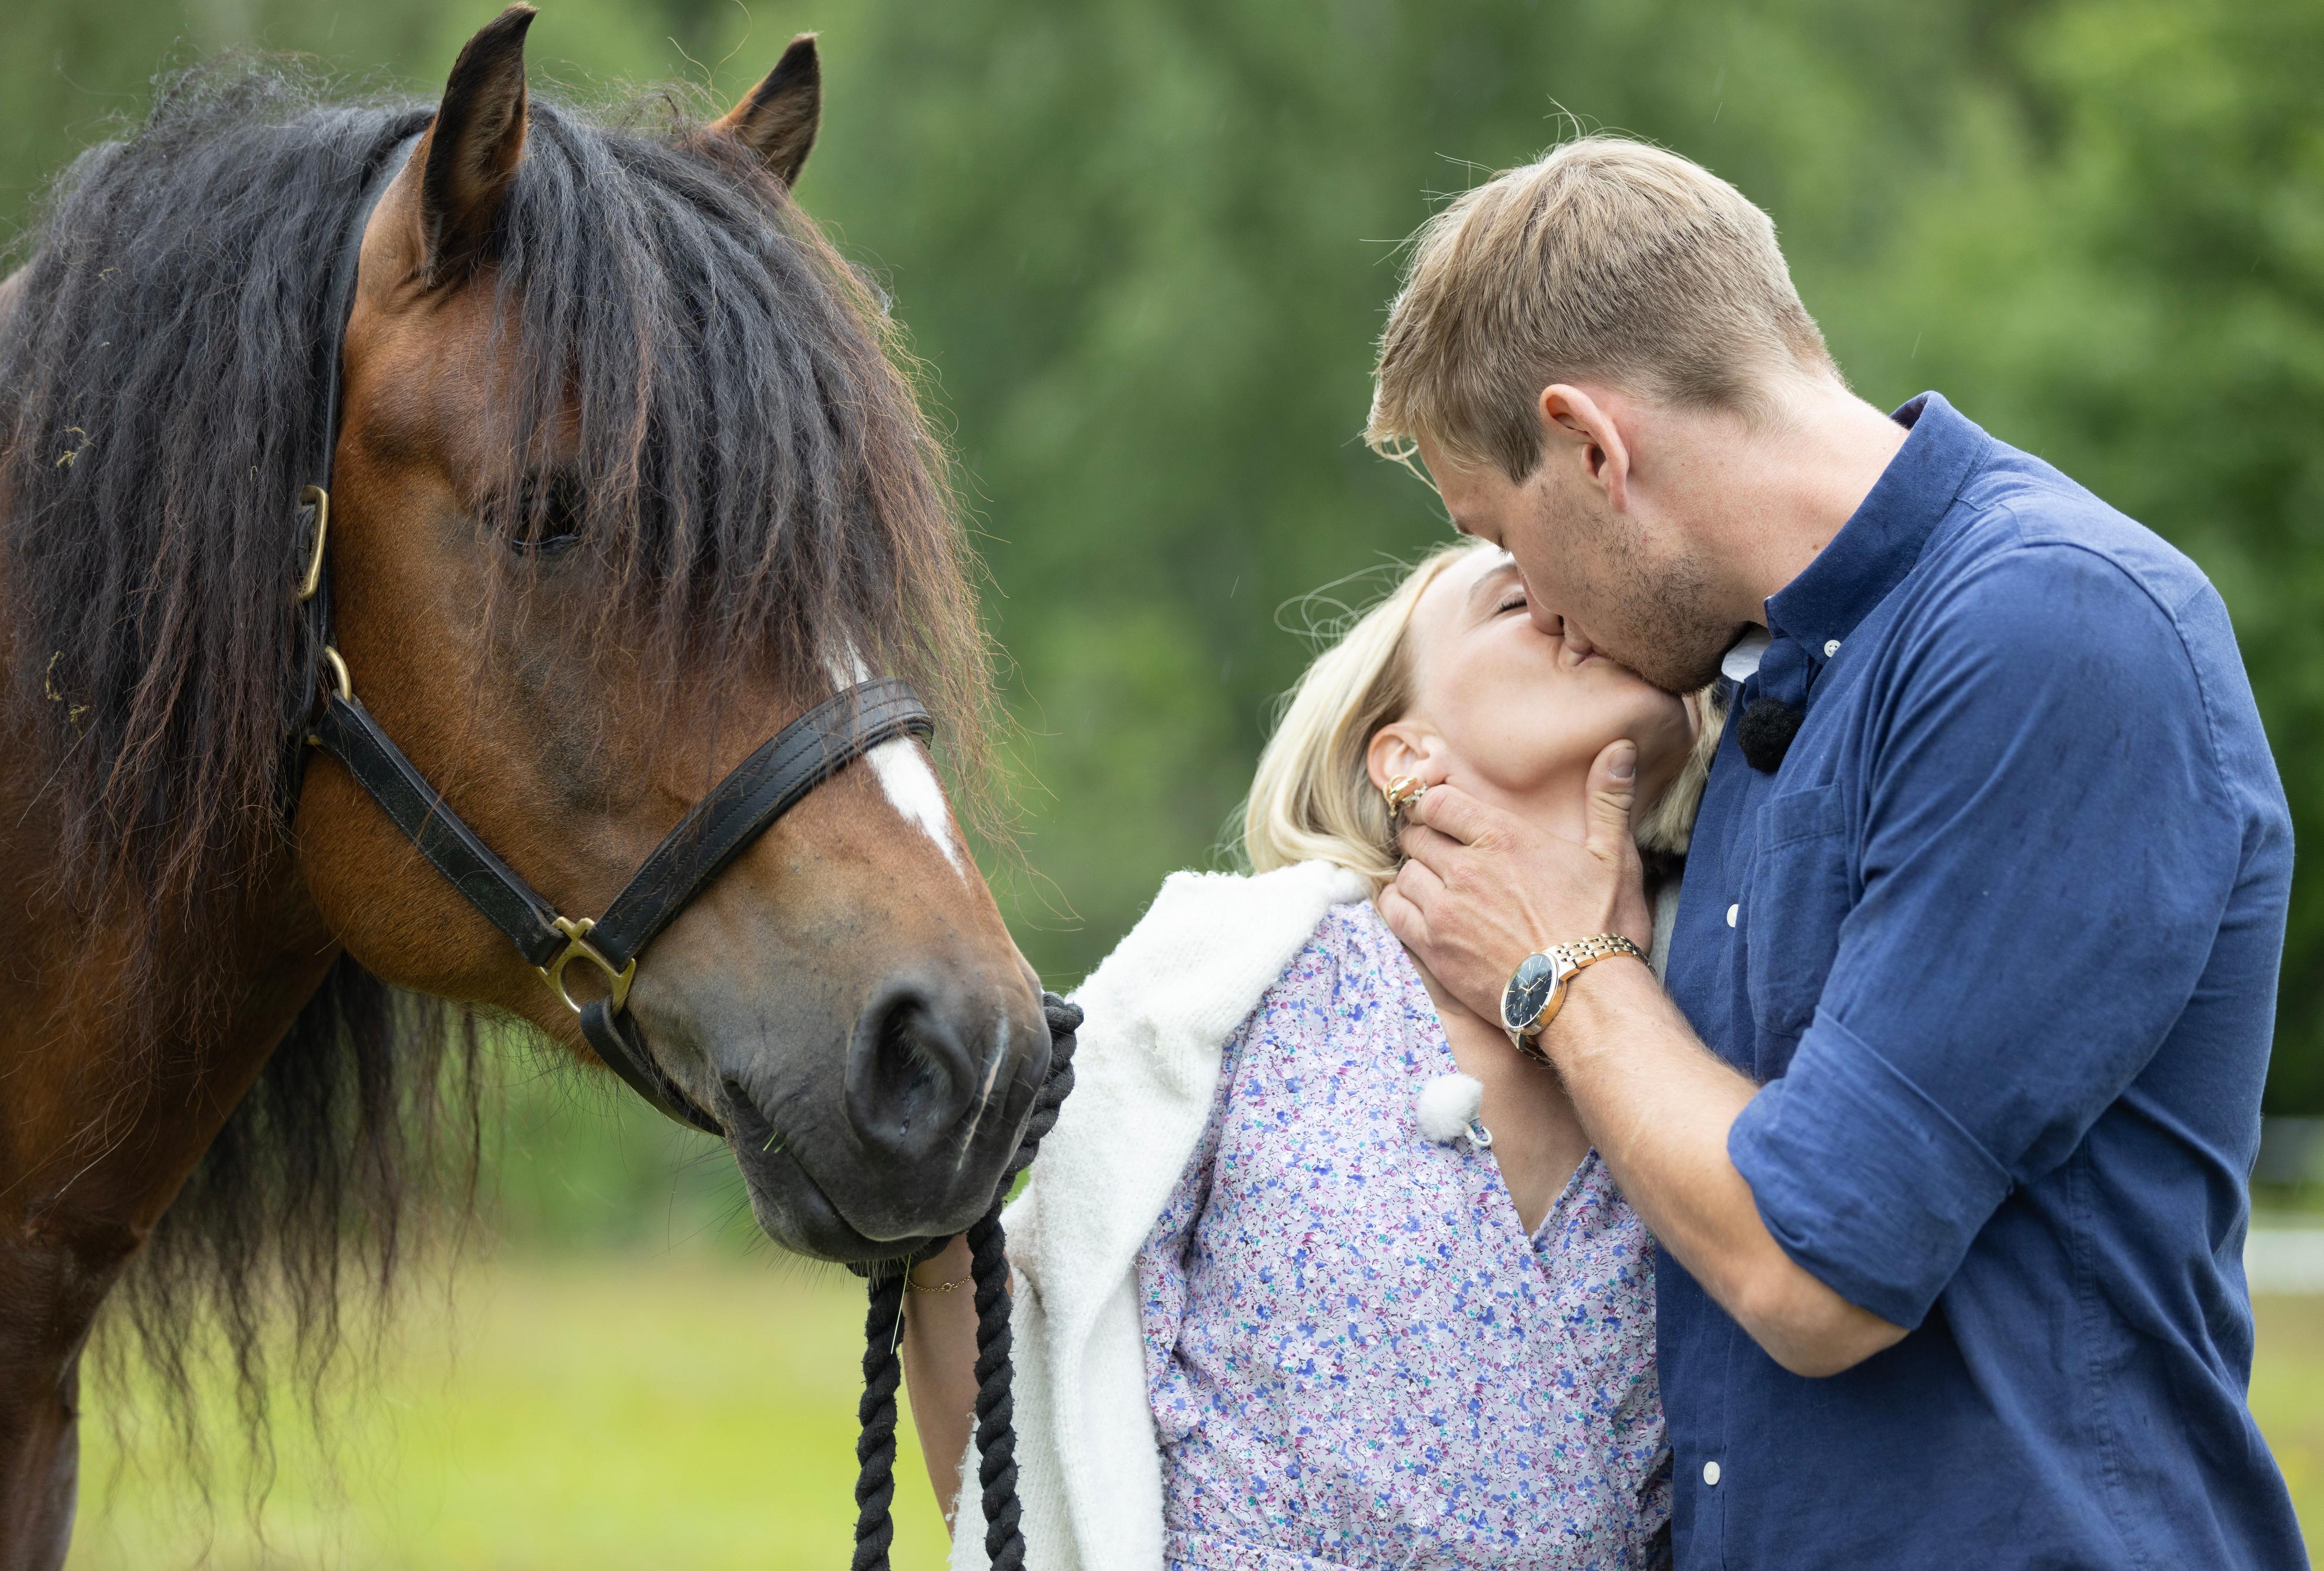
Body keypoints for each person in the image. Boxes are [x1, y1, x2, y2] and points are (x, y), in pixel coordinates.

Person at [1362, 137, 2305, 1569]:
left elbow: (1816, 1270)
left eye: (1500, 536)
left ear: (1591, 445)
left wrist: (1563, 967)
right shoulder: (1775, 684)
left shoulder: (2047, 632)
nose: (1534, 605)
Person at [903, 538, 1722, 1571]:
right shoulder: (1227, 984)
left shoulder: (1717, 1002)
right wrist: (930, 1236)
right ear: (1403, 754)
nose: (1574, 614)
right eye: (1517, 601)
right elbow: (1034, 1391)